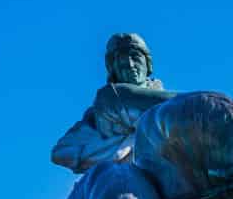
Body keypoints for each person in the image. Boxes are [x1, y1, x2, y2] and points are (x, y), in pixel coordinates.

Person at [50, 33, 175, 173]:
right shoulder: (104, 102)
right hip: (121, 176)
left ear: (147, 63)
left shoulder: (173, 107)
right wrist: (118, 146)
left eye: (135, 57)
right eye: (121, 59)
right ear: (112, 68)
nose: (129, 64)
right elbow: (62, 152)